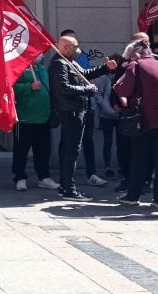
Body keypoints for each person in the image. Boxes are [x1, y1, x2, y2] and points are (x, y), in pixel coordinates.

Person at [49, 35, 115, 200]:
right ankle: (69, 189)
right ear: (64, 47)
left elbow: (85, 73)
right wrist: (87, 89)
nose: (76, 49)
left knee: (69, 150)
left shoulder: (69, 61)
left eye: (76, 46)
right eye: (73, 46)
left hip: (77, 110)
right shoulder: (59, 64)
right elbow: (64, 88)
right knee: (71, 151)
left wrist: (105, 68)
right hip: (70, 112)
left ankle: (66, 187)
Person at [115, 39, 158, 210]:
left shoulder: (136, 66)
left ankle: (133, 195)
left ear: (135, 54)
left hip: (144, 119)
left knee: (139, 159)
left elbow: (121, 89)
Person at [12, 56, 56, 192]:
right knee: (21, 151)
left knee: (43, 151)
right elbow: (12, 89)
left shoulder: (43, 69)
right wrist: (29, 87)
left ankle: (44, 178)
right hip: (25, 119)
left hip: (43, 118)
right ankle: (20, 178)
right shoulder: (19, 69)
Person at [93, 54, 126, 184]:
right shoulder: (103, 78)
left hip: (120, 116)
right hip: (106, 115)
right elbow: (98, 96)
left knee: (121, 143)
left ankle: (121, 167)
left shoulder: (123, 77)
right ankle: (108, 167)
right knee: (108, 142)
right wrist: (109, 109)